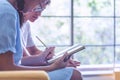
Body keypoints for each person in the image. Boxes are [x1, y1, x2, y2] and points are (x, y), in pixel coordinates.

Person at [0, 0, 83, 80]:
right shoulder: (7, 12)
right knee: (74, 74)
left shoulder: (9, 9)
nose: (34, 9)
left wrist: (41, 58)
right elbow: (6, 68)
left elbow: (14, 61)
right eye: (40, 4)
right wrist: (52, 67)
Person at [21, 1, 81, 68]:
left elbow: (33, 51)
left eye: (42, 9)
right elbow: (25, 58)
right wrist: (54, 63)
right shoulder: (15, 23)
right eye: (37, 8)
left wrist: (57, 58)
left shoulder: (26, 25)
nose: (39, 14)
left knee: (73, 70)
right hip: (19, 69)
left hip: (25, 67)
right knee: (74, 73)